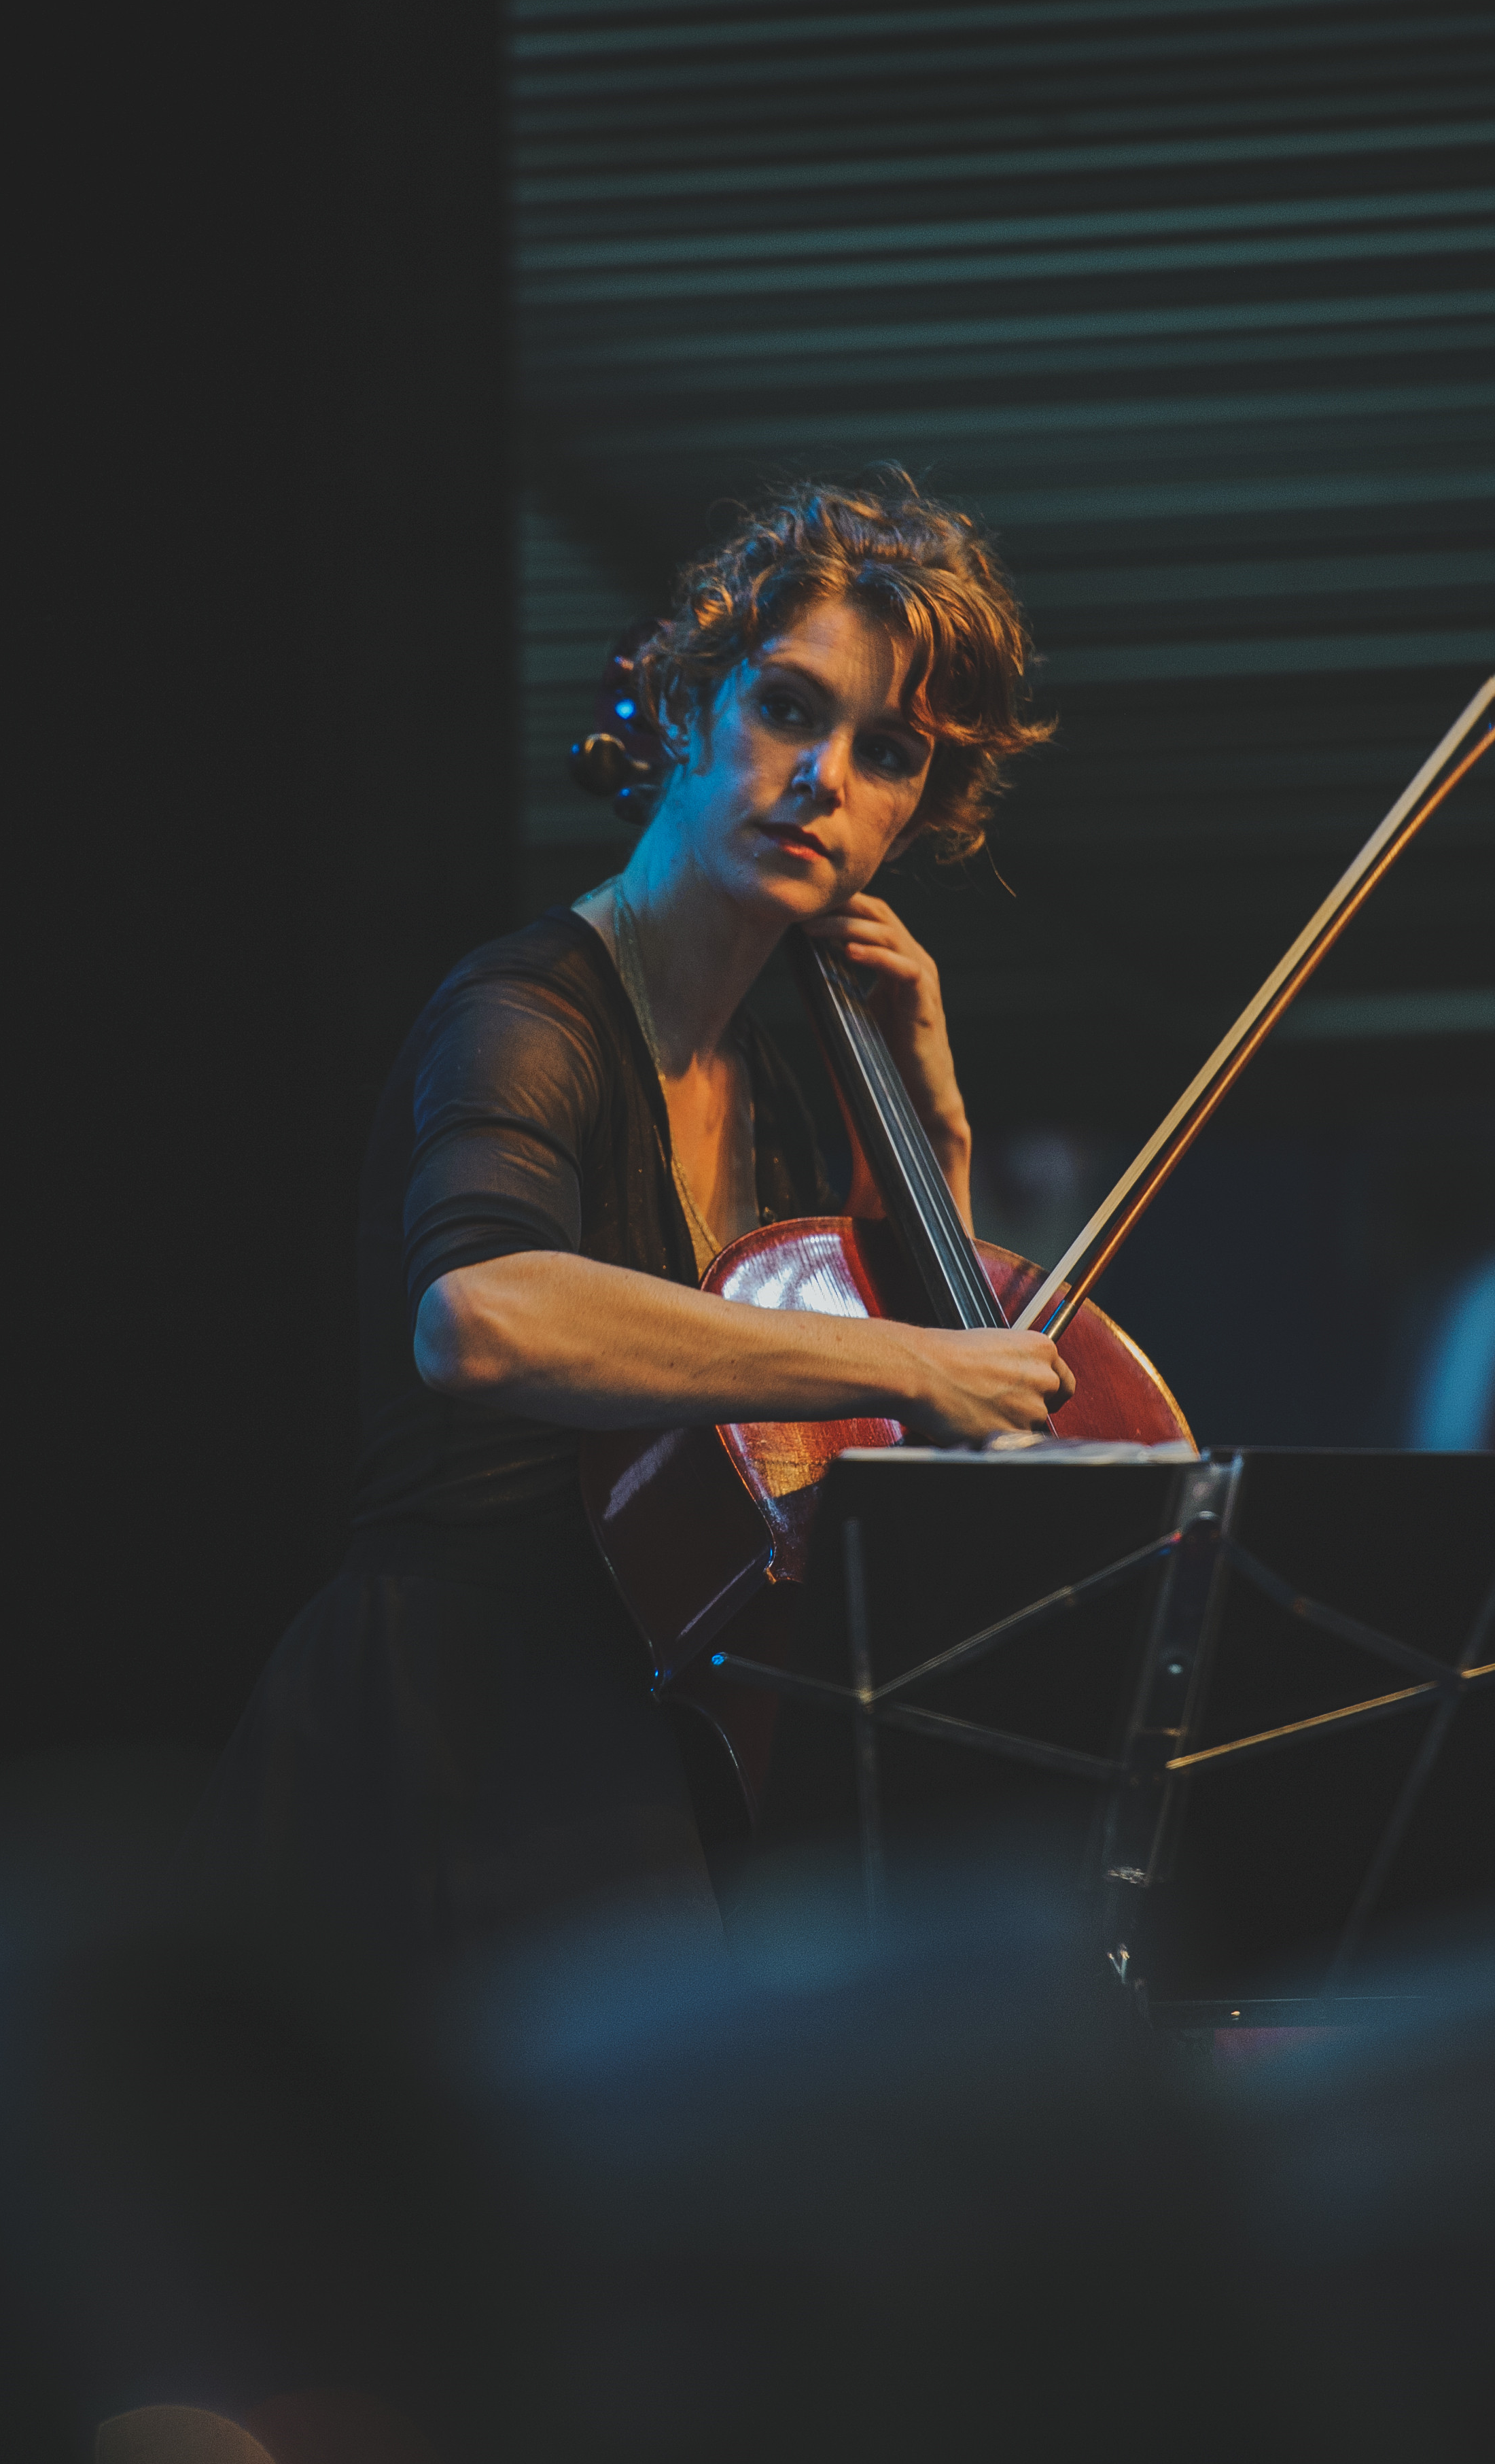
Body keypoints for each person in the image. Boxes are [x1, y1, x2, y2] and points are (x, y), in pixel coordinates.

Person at [189, 476, 1070, 1971]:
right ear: (684, 708)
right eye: (787, 708)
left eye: (888, 752)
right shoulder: (528, 1014)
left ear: (916, 811)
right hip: (443, 1737)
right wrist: (918, 1363)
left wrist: (936, 1129)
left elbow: (892, 1423)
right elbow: (483, 1314)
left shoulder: (777, 1079)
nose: (825, 778)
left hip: (631, 1738)